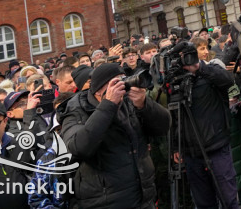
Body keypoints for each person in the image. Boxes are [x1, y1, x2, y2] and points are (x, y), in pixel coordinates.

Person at [58, 62, 171, 209]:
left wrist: (144, 104)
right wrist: (108, 105)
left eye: (123, 80)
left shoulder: (128, 102)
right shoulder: (76, 110)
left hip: (143, 196)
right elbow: (78, 148)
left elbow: (163, 127)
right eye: (116, 83)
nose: (122, 86)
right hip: (105, 200)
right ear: (99, 90)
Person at [177, 41, 240, 209]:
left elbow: (229, 82)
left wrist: (199, 68)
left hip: (216, 147)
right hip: (191, 153)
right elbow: (174, 116)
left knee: (229, 201)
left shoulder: (211, 70)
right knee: (204, 204)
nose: (205, 52)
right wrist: (176, 146)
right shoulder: (177, 81)